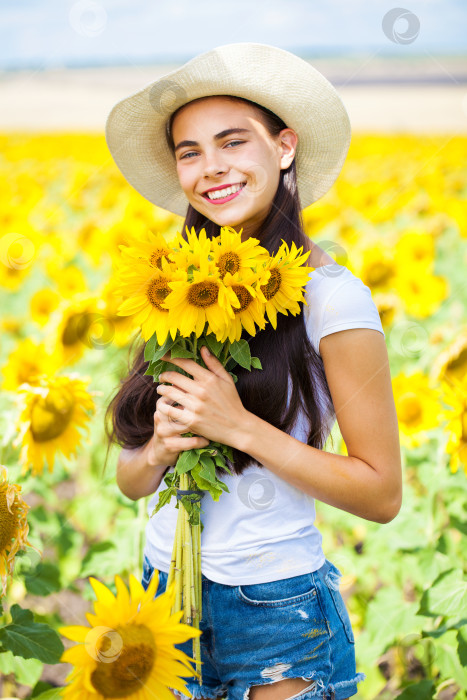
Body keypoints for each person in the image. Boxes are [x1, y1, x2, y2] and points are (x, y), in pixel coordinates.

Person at [104, 43, 402, 700]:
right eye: (189, 151)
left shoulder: (331, 297)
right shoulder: (174, 286)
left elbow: (381, 494)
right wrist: (159, 445)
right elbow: (131, 480)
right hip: (159, 594)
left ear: (284, 146)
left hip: (275, 610)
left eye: (232, 142)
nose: (210, 168)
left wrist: (238, 427)